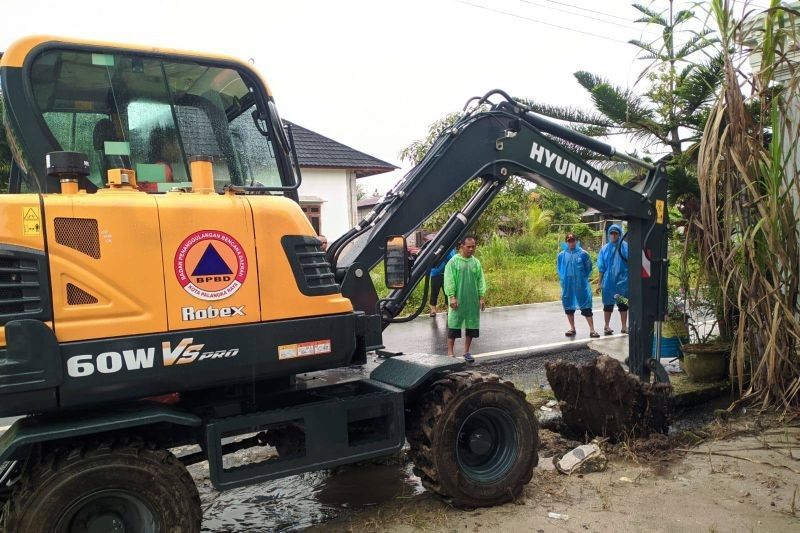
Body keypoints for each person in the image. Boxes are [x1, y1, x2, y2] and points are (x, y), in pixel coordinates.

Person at [444, 236, 486, 362]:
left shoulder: (476, 262)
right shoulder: (453, 262)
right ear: (461, 246)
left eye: (473, 246)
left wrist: (481, 297)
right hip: (458, 299)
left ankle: (466, 352)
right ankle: (450, 353)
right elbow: (449, 280)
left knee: (471, 326)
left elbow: (480, 280)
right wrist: (451, 297)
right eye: (468, 246)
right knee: (454, 325)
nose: (471, 249)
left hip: (472, 300)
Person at [557, 233, 599, 338]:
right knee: (568, 306)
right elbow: (560, 269)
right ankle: (572, 328)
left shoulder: (583, 254)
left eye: (573, 240)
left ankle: (592, 330)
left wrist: (582, 278)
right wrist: (563, 281)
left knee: (586, 306)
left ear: (576, 241)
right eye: (569, 241)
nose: (571, 242)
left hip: (581, 284)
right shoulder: (561, 255)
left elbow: (589, 268)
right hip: (567, 285)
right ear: (566, 242)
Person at [597, 224, 629, 335]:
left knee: (623, 305)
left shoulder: (625, 247)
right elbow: (601, 267)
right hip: (608, 281)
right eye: (612, 233)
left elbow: (631, 263)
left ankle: (624, 326)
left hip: (623, 282)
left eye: (616, 233)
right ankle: (606, 326)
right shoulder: (604, 249)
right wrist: (599, 283)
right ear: (609, 234)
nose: (613, 235)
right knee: (608, 305)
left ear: (620, 234)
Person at [429, 247, 457, 317]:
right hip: (435, 273)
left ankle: (449, 309)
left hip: (447, 274)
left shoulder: (451, 249)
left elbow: (453, 259)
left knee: (447, 292)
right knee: (434, 292)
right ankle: (433, 309)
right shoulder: (436, 247)